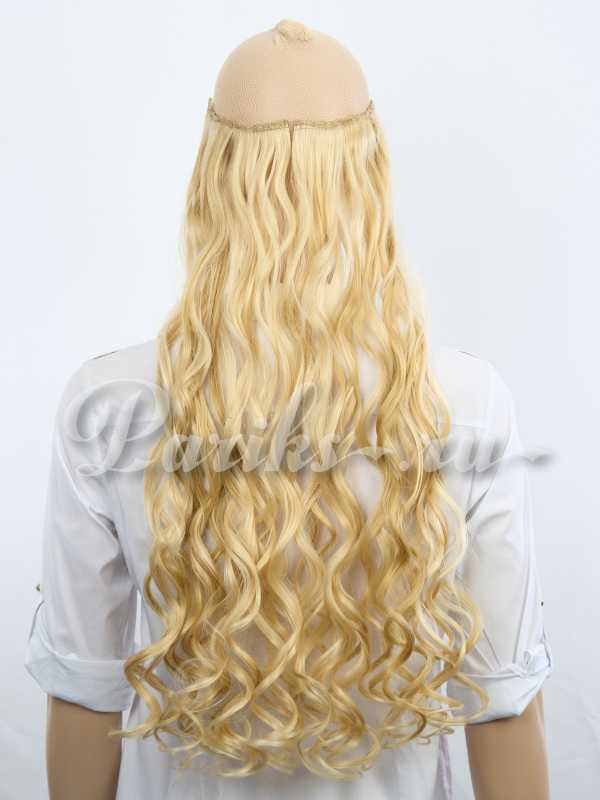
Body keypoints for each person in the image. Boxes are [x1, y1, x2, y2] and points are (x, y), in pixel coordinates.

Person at [25, 20, 553, 800]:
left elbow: (83, 693)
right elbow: (503, 702)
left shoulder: (107, 409)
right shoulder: (465, 405)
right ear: (368, 175)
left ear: (214, 175)